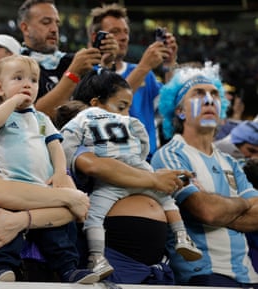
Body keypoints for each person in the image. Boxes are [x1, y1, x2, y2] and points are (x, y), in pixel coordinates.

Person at [0, 63, 99, 283]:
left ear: (0, 88)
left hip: (45, 271)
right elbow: (0, 194)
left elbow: (74, 211)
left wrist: (21, 220)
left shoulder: (39, 141)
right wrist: (68, 197)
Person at [59, 68, 201, 279]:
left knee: (168, 201)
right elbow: (96, 166)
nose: (125, 115)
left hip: (155, 264)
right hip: (116, 258)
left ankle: (182, 236)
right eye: (122, 107)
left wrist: (164, 177)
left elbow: (136, 162)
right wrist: (154, 179)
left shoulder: (127, 137)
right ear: (96, 105)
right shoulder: (82, 141)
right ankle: (96, 257)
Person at [150, 62, 258, 287]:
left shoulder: (230, 161)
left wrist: (221, 209)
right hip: (203, 275)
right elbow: (206, 211)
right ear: (179, 111)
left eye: (215, 95)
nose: (209, 100)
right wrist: (244, 203)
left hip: (248, 274)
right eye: (198, 94)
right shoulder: (170, 155)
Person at [88, 3, 178, 160]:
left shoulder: (145, 74)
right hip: (111, 161)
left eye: (126, 32)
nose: (123, 37)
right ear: (96, 38)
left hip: (148, 160)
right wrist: (144, 67)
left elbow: (170, 106)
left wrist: (169, 65)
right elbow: (109, 106)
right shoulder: (88, 73)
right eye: (114, 32)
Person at [17, 0, 102, 119]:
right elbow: (37, 117)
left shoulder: (71, 60)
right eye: (46, 22)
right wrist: (73, 74)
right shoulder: (15, 67)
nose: (54, 29)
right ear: (25, 28)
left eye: (57, 23)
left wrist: (107, 62)